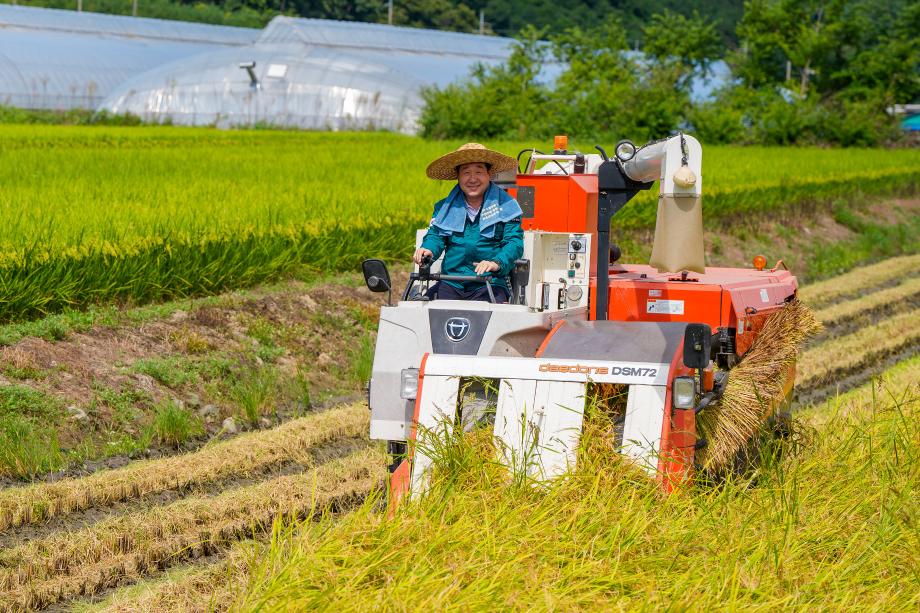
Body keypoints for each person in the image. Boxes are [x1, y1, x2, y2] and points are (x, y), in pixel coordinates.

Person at [413, 143, 524, 303]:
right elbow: (436, 236)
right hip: (451, 282)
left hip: (489, 283)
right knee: (420, 308)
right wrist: (428, 249)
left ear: (489, 174)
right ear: (458, 176)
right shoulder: (444, 208)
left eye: (478, 172)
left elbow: (514, 244)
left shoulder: (507, 207)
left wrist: (496, 263)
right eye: (466, 173)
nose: (472, 179)